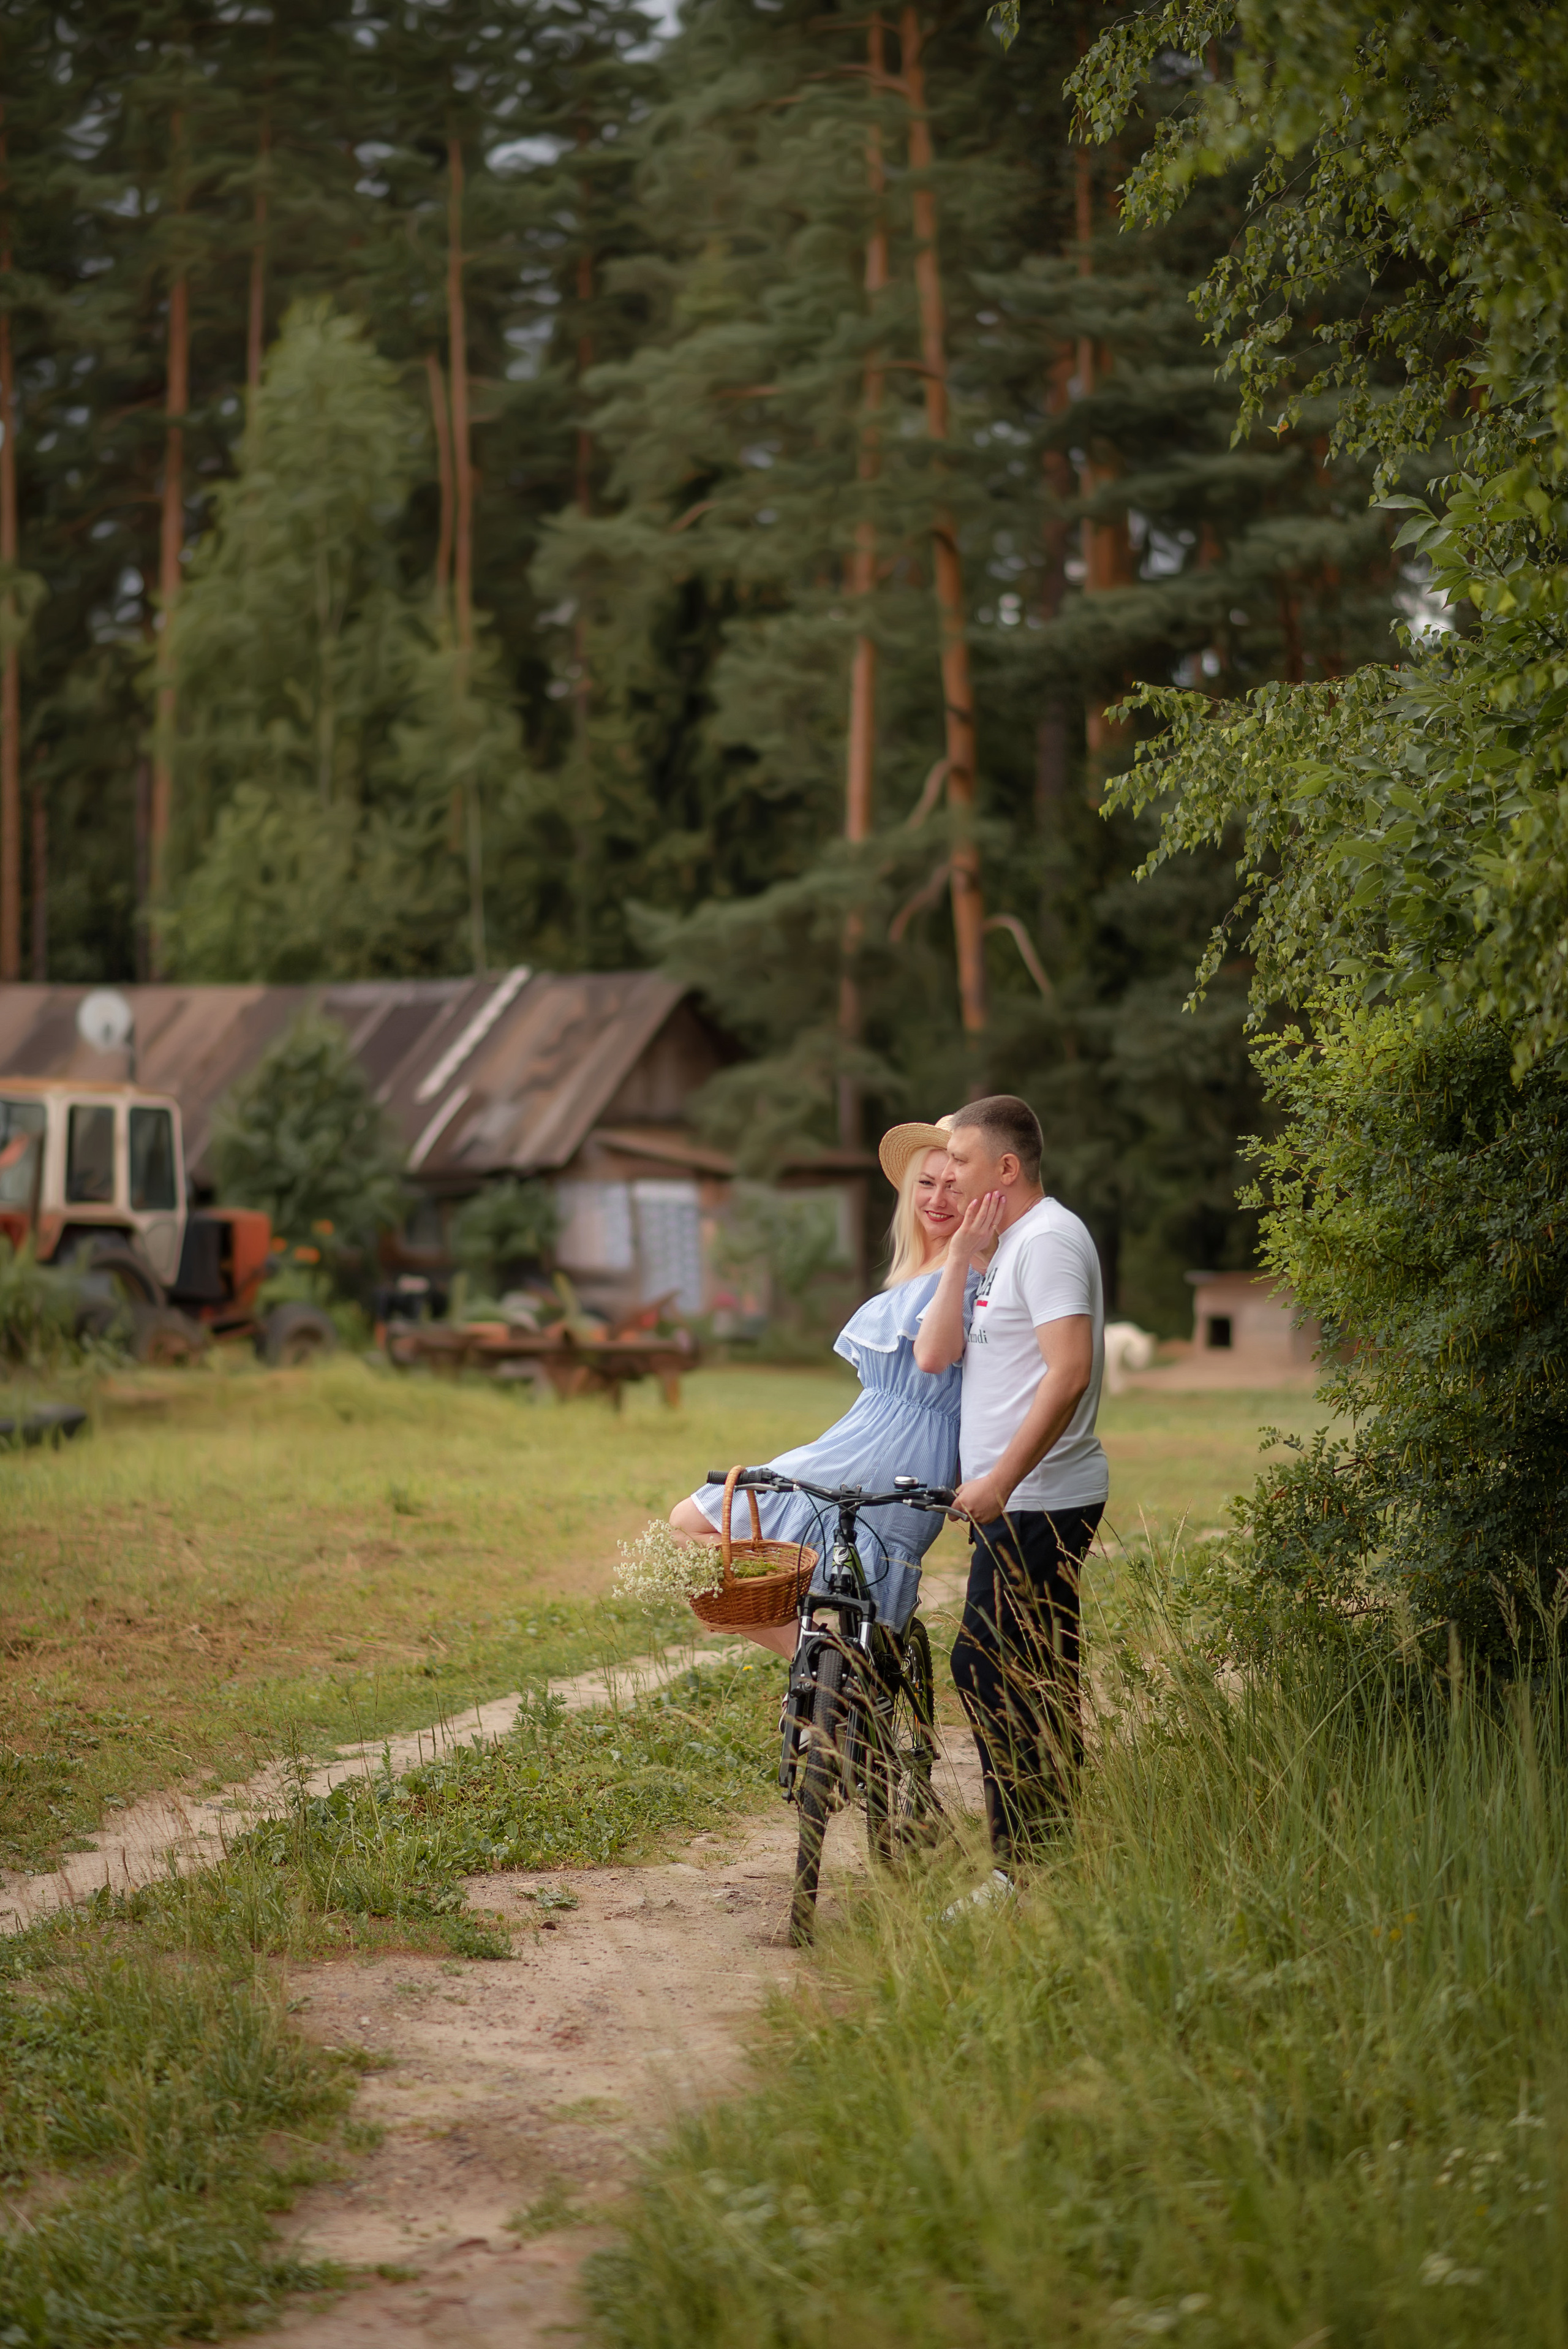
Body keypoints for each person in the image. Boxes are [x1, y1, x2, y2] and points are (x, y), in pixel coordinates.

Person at [668, 1123, 981, 1659]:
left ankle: (823, 1668)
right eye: (926, 1183)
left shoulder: (969, 1267)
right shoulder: (920, 1267)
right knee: (692, 1533)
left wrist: (961, 1257)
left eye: (954, 1185)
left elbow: (938, 1359)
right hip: (860, 1438)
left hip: (903, 1451)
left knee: (687, 1523)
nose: (937, 1199)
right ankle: (824, 1663)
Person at [913, 1093, 1106, 1885]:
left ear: (1006, 1166)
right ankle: (1047, 1865)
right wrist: (968, 1252)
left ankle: (1019, 1870)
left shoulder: (1051, 1240)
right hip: (1017, 1499)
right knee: (1033, 1673)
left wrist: (1000, 1478)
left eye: (959, 1160)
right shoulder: (1007, 1245)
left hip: (1040, 1500)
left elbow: (1070, 1371)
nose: (948, 1175)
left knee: (988, 1668)